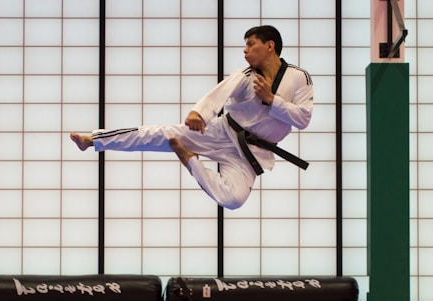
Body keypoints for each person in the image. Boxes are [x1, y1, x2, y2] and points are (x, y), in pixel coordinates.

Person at [70, 25, 313, 210]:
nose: (245, 50)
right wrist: (199, 113)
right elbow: (218, 95)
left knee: (233, 200)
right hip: (221, 132)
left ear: (270, 45)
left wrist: (272, 100)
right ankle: (93, 140)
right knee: (157, 135)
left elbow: (303, 119)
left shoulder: (299, 78)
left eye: (251, 44)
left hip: (251, 153)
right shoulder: (245, 75)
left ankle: (190, 160)